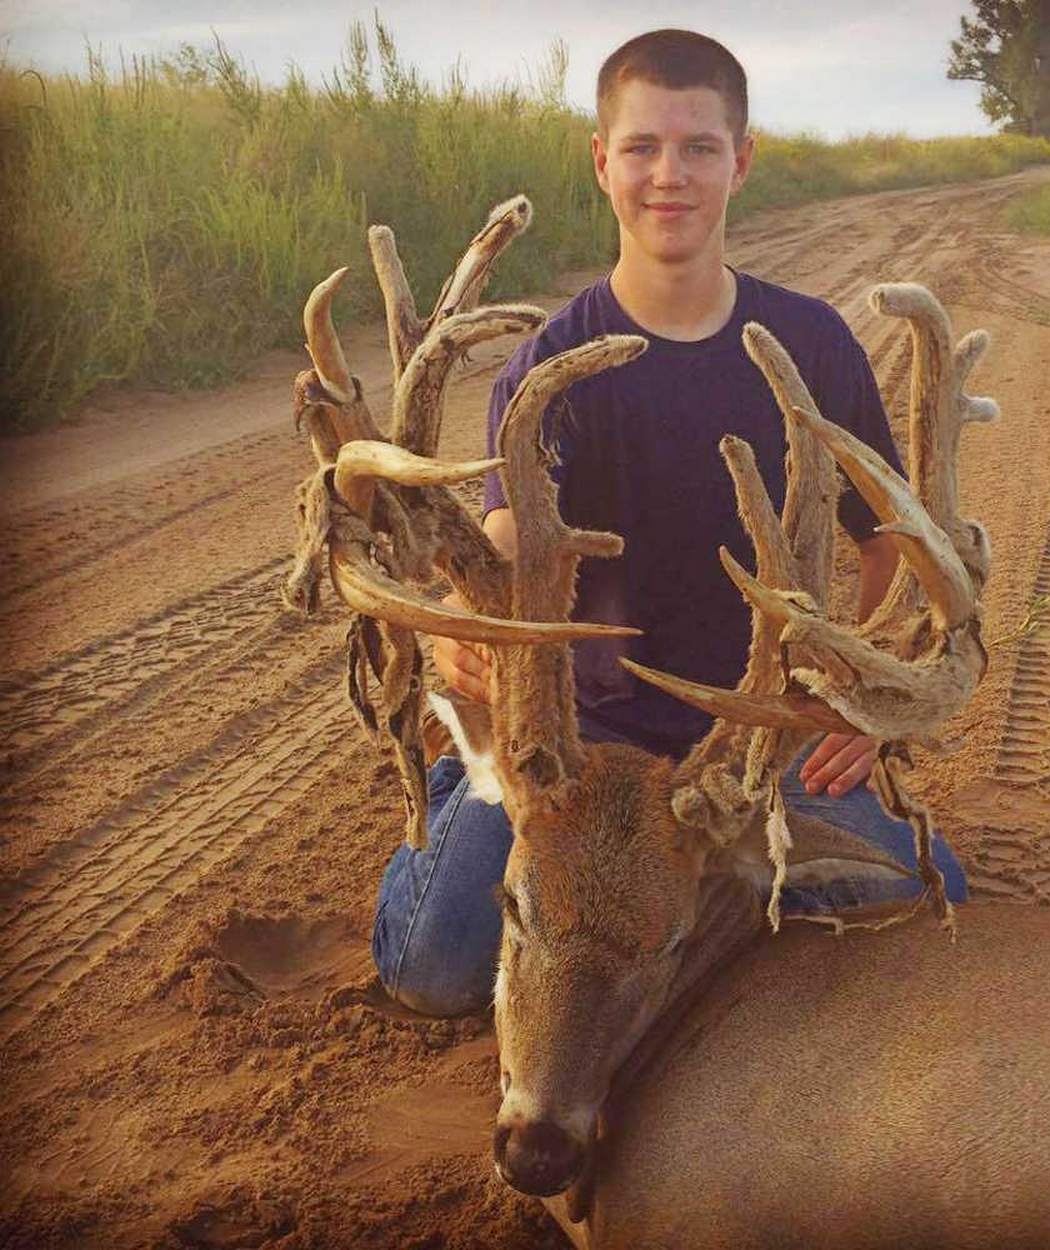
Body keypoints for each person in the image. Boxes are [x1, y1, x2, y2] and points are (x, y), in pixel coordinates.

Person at [372, 29, 968, 1016]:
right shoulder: (553, 367)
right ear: (600, 161)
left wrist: (858, 697)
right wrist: (454, 625)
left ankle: (697, 887)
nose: (668, 175)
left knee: (918, 883)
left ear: (741, 159)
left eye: (697, 148)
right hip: (582, 758)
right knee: (437, 968)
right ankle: (457, 799)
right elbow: (511, 541)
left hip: (748, 755)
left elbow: (886, 544)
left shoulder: (811, 344)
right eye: (641, 147)